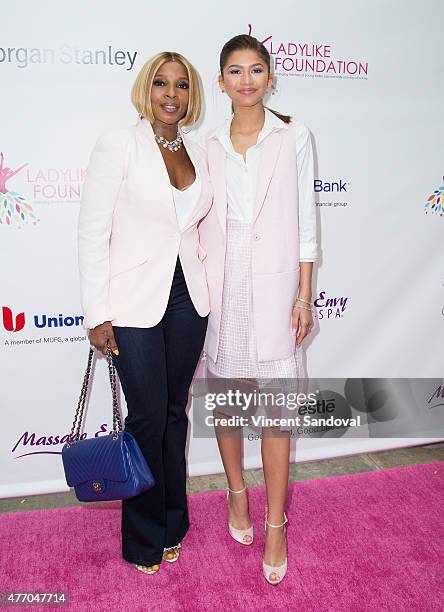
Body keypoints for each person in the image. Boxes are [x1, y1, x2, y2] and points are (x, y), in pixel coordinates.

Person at [78, 51, 212, 575]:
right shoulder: (120, 143)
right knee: (148, 416)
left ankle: (173, 522)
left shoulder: (197, 149)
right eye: (161, 83)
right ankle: (142, 538)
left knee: (175, 414)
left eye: (180, 85)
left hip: (188, 298)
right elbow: (93, 231)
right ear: (146, 88)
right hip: (132, 300)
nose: (171, 94)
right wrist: (97, 312)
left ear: (191, 94)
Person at [198, 34, 318, 585]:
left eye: (255, 70)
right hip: (222, 286)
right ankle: (236, 494)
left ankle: (275, 524)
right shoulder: (207, 144)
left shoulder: (293, 136)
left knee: (273, 410)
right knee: (225, 401)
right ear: (221, 81)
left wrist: (303, 293)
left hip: (273, 286)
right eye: (234, 71)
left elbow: (307, 225)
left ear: (270, 76)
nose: (246, 80)